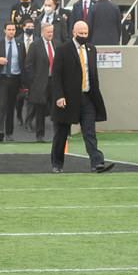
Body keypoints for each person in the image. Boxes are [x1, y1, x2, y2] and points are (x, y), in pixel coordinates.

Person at [51, 21, 115, 173]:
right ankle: (57, 164)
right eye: (81, 34)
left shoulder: (91, 49)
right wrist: (59, 96)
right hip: (68, 99)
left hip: (87, 97)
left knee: (89, 131)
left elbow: (93, 73)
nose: (84, 36)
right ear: (74, 32)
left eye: (86, 33)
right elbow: (56, 75)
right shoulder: (63, 50)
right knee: (61, 133)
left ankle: (97, 162)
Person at [0, 22, 26, 142]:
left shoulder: (20, 44)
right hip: (3, 78)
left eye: (13, 29)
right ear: (4, 30)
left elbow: (23, 62)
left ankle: (9, 133)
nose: (11, 32)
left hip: (15, 79)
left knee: (11, 107)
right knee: (2, 105)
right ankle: (0, 131)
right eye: (9, 29)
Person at [24, 22, 56, 143]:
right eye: (48, 32)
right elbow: (28, 65)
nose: (50, 34)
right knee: (40, 110)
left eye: (52, 32)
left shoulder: (56, 44)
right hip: (40, 83)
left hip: (54, 82)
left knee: (57, 109)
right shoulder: (35, 46)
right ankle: (40, 135)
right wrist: (35, 80)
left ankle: (57, 135)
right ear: (42, 32)